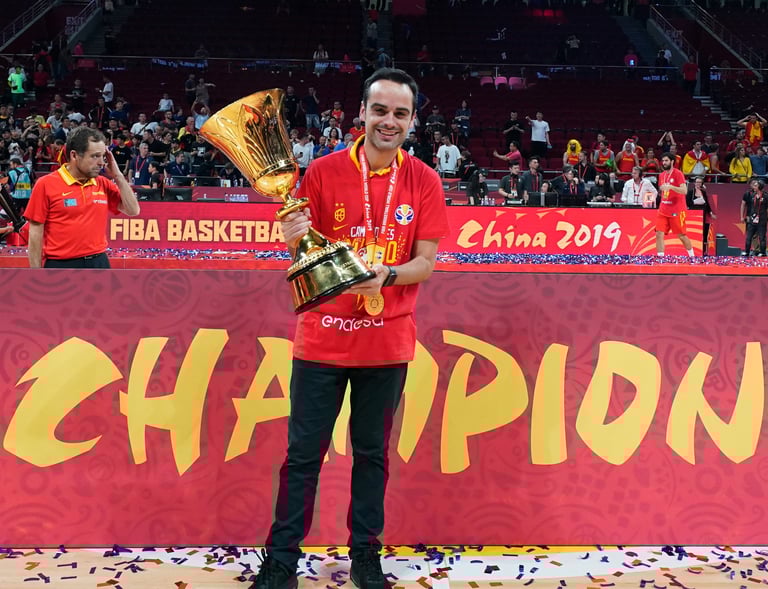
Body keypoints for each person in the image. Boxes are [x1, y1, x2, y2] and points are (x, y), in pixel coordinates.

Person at [251, 67, 449, 589]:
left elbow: (426, 263)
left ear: (413, 120)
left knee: (371, 456)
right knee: (302, 456)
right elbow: (304, 256)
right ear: (361, 112)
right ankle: (281, 561)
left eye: (400, 113)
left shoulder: (424, 180)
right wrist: (293, 238)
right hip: (322, 339)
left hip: (385, 342)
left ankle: (365, 556)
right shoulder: (321, 172)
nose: (389, 121)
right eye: (379, 110)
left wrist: (389, 275)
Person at [25, 126, 140, 268]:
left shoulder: (102, 183)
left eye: (103, 156)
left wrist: (118, 175)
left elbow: (133, 210)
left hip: (99, 262)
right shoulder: (45, 184)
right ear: (74, 155)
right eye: (95, 156)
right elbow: (35, 233)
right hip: (61, 265)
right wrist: (35, 274)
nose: (102, 162)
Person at [656, 152, 694, 257]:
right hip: (663, 209)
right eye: (663, 161)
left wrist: (671, 187)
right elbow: (663, 191)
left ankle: (692, 257)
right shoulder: (661, 175)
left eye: (666, 160)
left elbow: (684, 190)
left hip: (677, 210)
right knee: (659, 233)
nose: (664, 163)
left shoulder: (678, 173)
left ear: (672, 161)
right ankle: (660, 258)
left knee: (681, 235)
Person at [686, 176, 715, 254]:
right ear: (694, 183)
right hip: (693, 214)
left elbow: (707, 203)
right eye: (697, 182)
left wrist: (710, 213)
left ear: (702, 183)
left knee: (703, 231)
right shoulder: (691, 192)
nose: (698, 184)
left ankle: (702, 250)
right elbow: (687, 203)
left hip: (703, 214)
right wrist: (695, 202)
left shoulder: (703, 192)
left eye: (700, 182)